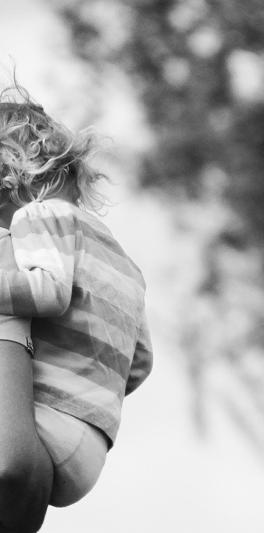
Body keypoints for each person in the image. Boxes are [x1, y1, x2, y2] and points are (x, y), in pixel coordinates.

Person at [0, 84, 154, 527]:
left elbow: (49, 291)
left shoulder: (39, 216)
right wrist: (87, 390)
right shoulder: (125, 264)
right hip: (88, 449)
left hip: (41, 425)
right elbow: (140, 363)